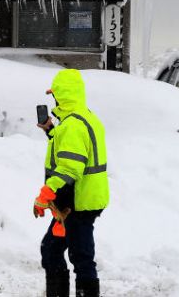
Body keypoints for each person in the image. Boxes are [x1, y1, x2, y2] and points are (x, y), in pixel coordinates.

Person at [33, 69, 109, 297]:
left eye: (55, 95)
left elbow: (70, 168)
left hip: (77, 202)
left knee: (80, 257)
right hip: (80, 200)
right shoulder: (85, 117)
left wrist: (45, 194)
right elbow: (73, 152)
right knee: (53, 250)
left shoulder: (72, 125)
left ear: (62, 96)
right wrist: (51, 132)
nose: (54, 100)